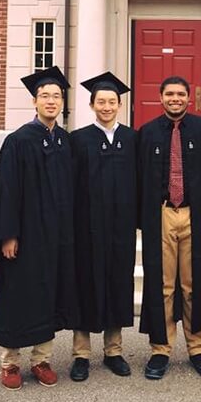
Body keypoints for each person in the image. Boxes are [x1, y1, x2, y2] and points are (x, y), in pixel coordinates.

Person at [0, 66, 78, 391]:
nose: (51, 101)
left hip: (56, 237)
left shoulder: (66, 141)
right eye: (44, 96)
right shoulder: (18, 141)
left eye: (56, 96)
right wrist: (8, 233)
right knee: (17, 294)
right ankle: (10, 362)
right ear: (35, 102)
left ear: (62, 102)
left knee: (48, 294)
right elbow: (5, 191)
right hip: (25, 236)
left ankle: (41, 359)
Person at [138, 76, 201, 380]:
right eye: (169, 94)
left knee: (192, 283)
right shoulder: (146, 134)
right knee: (163, 283)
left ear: (189, 98)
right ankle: (161, 348)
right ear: (161, 97)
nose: (175, 98)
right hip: (162, 215)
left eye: (181, 94)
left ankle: (198, 347)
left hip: (195, 214)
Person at [68, 71, 137, 382]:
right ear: (92, 104)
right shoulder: (78, 140)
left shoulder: (133, 139)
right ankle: (81, 354)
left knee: (117, 284)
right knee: (85, 284)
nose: (106, 106)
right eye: (101, 102)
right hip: (87, 229)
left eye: (112, 102)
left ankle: (114, 350)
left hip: (121, 229)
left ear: (120, 105)